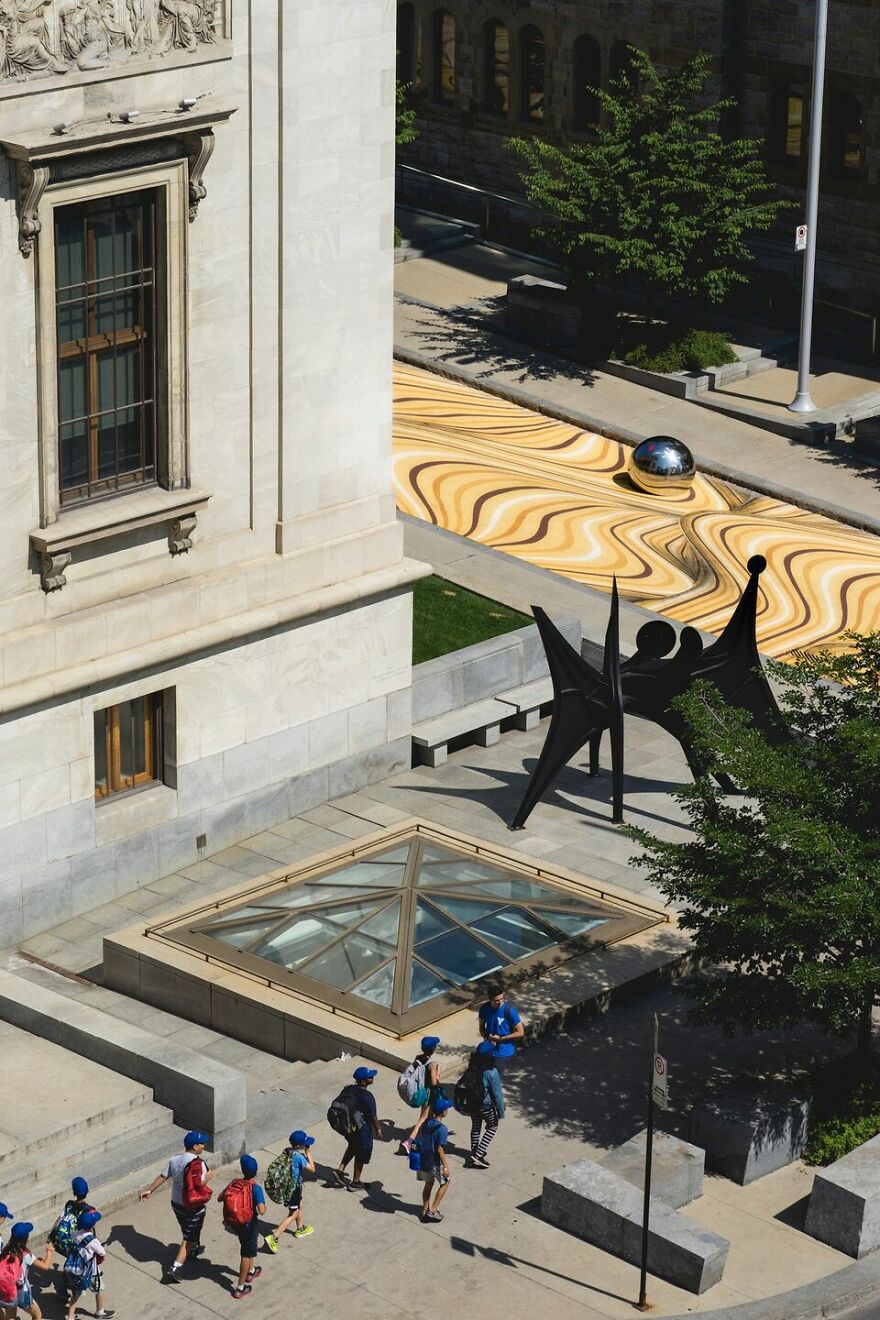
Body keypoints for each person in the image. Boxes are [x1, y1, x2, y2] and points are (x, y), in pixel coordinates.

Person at [139, 1129, 213, 1284]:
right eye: (201, 1143)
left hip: (176, 1203)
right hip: (192, 1205)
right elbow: (199, 1185)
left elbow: (163, 1176)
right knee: (189, 1237)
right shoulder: (198, 1164)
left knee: (188, 1228)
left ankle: (192, 1250)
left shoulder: (174, 1160)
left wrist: (149, 1190)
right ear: (194, 1147)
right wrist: (208, 1178)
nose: (204, 1145)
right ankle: (176, 1267)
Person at [219, 1155, 266, 1300]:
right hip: (249, 1224)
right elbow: (262, 1210)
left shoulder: (234, 1183)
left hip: (236, 1223)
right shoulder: (255, 1188)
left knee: (247, 1246)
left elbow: (220, 1197)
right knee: (246, 1253)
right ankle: (240, 1287)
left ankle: (251, 1270)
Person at [333, 1066, 384, 1189]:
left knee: (353, 1146)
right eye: (370, 1076)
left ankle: (340, 1169)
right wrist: (378, 1129)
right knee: (362, 1152)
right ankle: (356, 1182)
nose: (372, 1077)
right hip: (362, 1128)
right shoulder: (367, 1096)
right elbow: (373, 1116)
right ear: (363, 1081)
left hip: (349, 1126)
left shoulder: (348, 1089)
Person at [265, 1131, 315, 1250]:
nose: (306, 1146)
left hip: (288, 1186)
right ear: (299, 1146)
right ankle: (274, 1237)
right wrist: (309, 1154)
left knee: (299, 1206)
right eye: (305, 1144)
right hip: (294, 1190)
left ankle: (300, 1229)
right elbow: (312, 1169)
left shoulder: (287, 1151)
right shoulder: (299, 1157)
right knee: (293, 1214)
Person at [63, 1210, 114, 1320]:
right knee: (99, 1289)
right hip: (91, 1271)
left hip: (77, 1270)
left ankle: (71, 1317)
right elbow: (102, 1252)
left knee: (75, 1295)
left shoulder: (74, 1234)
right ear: (92, 1225)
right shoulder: (93, 1241)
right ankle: (100, 1311)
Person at [49, 1176, 93, 1304]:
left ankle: (63, 1291)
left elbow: (59, 1219)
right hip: (78, 1244)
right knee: (74, 1267)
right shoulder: (88, 1209)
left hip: (65, 1242)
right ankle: (70, 1291)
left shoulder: (69, 1204)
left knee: (69, 1264)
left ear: (74, 1192)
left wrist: (51, 1236)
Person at [0, 1222, 53, 1320]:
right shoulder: (25, 1254)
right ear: (25, 1238)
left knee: (10, 1318)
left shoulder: (5, 1251)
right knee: (37, 1315)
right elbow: (45, 1266)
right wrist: (49, 1252)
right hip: (22, 1292)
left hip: (8, 1292)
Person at [399, 1035, 442, 1155]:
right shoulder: (432, 1064)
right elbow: (434, 1082)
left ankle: (422, 1141)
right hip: (428, 1095)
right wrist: (437, 1073)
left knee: (427, 1119)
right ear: (433, 1049)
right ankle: (409, 1142)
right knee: (423, 1120)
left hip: (421, 1093)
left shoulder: (418, 1059)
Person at [466, 1041, 505, 1168]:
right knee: (492, 1126)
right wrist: (501, 1111)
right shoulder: (492, 1072)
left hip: (472, 1103)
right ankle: (478, 1155)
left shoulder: (472, 1066)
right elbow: (497, 1094)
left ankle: (474, 1151)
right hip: (485, 1106)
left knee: (476, 1126)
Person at [414, 1096, 453, 1223]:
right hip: (435, 1162)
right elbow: (440, 1149)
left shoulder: (427, 1123)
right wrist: (446, 1166)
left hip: (424, 1159)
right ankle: (433, 1210)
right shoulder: (442, 1129)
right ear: (443, 1112)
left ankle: (425, 1211)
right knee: (445, 1182)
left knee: (428, 1184)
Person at [478, 984, 524, 1066]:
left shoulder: (509, 1010)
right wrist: (486, 1039)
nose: (500, 1002)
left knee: (494, 1075)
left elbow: (520, 1032)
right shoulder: (484, 1008)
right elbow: (481, 1026)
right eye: (497, 1000)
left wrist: (501, 1038)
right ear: (490, 999)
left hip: (504, 1051)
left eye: (502, 999)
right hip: (489, 1048)